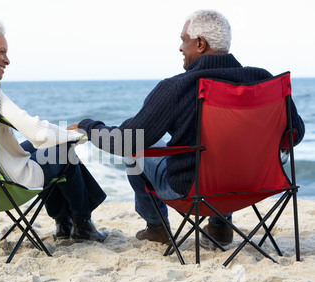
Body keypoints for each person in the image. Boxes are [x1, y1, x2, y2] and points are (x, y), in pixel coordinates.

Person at [68, 9, 305, 246]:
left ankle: (157, 227)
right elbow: (295, 135)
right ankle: (220, 227)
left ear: (200, 44)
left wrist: (88, 126)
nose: (180, 47)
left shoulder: (178, 87)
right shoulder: (264, 80)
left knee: (137, 151)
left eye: (184, 40)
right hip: (255, 186)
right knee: (226, 148)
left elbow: (126, 141)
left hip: (192, 192)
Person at [0, 17, 108, 242]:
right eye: (1, 52)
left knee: (50, 146)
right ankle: (82, 223)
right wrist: (77, 135)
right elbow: (37, 133)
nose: (7, 60)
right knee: (63, 148)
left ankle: (64, 222)